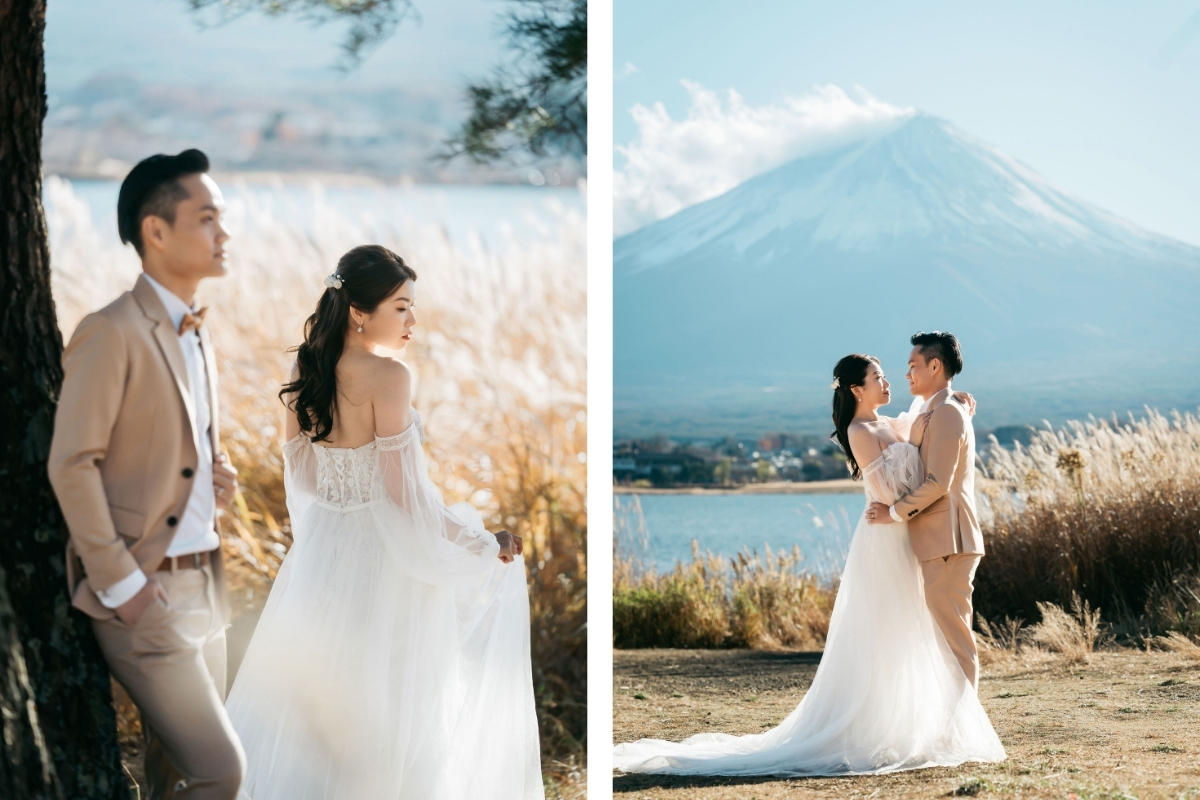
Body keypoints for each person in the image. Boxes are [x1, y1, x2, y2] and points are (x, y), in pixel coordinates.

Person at [225, 245, 544, 799]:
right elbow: (402, 494)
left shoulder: (306, 366)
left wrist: (337, 510)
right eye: (401, 307)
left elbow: (300, 474)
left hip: (324, 549)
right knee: (392, 692)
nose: (412, 322)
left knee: (325, 692)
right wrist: (477, 539)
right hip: (383, 556)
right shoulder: (389, 377)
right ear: (359, 310)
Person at [613, 350, 1004, 777]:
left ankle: (921, 724)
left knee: (913, 631)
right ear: (857, 389)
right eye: (879, 377)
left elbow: (924, 424)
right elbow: (890, 490)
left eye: (892, 374)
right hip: (886, 537)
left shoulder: (894, 423)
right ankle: (871, 728)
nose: (890, 382)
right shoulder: (859, 430)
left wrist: (953, 402)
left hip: (907, 535)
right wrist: (897, 506)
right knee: (882, 634)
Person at [48, 149, 246, 799]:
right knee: (222, 772)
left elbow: (172, 450)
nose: (225, 233)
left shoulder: (196, 331)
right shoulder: (110, 331)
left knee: (173, 774)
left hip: (203, 583)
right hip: (143, 592)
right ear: (156, 232)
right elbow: (72, 463)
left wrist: (207, 483)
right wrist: (124, 587)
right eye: (208, 217)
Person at [866, 330, 986, 687]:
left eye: (912, 365)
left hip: (948, 540)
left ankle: (964, 728)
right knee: (947, 637)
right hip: (939, 541)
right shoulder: (939, 410)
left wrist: (894, 513)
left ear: (935, 365)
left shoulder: (948, 412)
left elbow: (938, 484)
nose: (907, 374)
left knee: (955, 640)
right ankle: (956, 725)